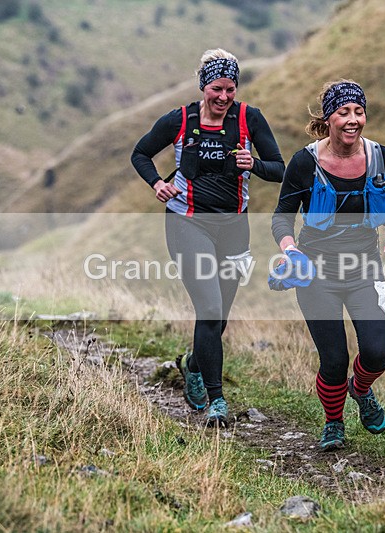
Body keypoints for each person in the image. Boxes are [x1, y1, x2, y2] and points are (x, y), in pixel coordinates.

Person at [131, 49, 284, 426]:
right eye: (217, 88)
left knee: (220, 316)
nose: (224, 96)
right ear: (203, 86)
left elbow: (280, 169)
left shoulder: (249, 118)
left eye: (230, 89)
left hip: (234, 226)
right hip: (188, 223)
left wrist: (255, 164)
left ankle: (194, 365)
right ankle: (217, 401)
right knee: (211, 309)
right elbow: (141, 154)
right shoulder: (180, 120)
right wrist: (157, 184)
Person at [271, 79, 385, 451]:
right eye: (344, 112)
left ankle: (360, 389)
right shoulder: (304, 162)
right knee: (333, 359)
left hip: (366, 267)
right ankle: (334, 423)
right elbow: (282, 217)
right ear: (328, 118)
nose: (352, 120)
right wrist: (290, 250)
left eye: (359, 111)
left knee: (377, 354)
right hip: (316, 272)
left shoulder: (382, 157)